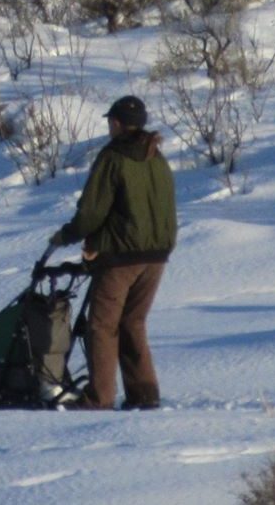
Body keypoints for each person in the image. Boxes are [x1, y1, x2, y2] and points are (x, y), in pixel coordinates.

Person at [48, 94, 176, 410]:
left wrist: (67, 235)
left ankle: (99, 399)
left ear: (116, 123)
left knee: (102, 327)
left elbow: (92, 211)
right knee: (133, 323)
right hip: (157, 255)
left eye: (110, 122)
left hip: (122, 257)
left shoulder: (113, 157)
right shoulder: (156, 157)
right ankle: (144, 395)